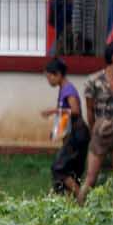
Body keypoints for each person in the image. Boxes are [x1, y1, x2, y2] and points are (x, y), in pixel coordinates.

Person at [78, 41, 113, 204]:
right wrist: (94, 129)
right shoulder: (94, 81)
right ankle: (77, 211)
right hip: (100, 130)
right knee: (91, 178)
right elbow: (89, 110)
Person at [43, 58, 89, 195]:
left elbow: (75, 111)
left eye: (49, 76)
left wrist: (53, 111)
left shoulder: (68, 89)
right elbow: (66, 116)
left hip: (78, 134)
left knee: (59, 169)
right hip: (74, 134)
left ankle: (80, 197)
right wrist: (57, 132)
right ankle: (72, 203)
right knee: (71, 171)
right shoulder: (64, 89)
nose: (48, 80)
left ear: (57, 74)